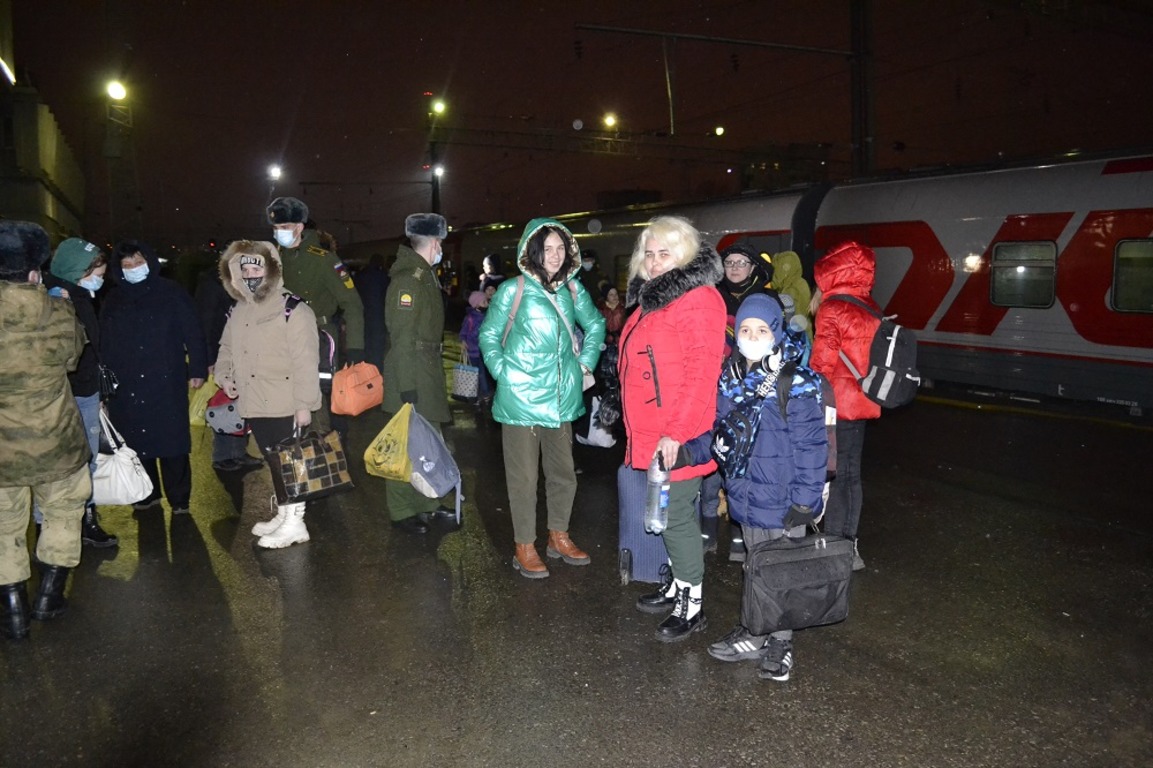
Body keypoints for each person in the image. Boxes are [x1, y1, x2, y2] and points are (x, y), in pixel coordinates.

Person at [705, 293, 827, 681]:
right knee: (756, 566)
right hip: (746, 493)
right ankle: (754, 630)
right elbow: (721, 432)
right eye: (744, 329)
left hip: (784, 496)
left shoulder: (796, 379)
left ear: (775, 332)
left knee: (781, 571)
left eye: (761, 329)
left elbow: (811, 445)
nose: (752, 336)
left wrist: (807, 501)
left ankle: (781, 642)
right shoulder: (730, 375)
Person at [619, 215, 726, 641]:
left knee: (678, 516)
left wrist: (676, 433)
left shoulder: (698, 299)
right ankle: (678, 584)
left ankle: (693, 604)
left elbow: (701, 375)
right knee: (664, 514)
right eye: (649, 253)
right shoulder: (657, 298)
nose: (656, 261)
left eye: (666, 253)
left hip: (677, 433)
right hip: (654, 429)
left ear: (684, 255)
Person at [478, 218, 605, 579]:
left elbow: (595, 325)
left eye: (560, 249)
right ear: (532, 251)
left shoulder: (574, 291)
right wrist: (505, 374)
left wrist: (585, 364)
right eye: (547, 249)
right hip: (520, 401)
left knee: (563, 473)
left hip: (562, 398)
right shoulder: (513, 290)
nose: (554, 255)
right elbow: (489, 336)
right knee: (524, 478)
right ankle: (524, 545)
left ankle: (558, 536)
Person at [0, 221, 91, 641]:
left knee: (3, 526)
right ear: (35, 271)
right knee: (62, 513)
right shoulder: (58, 310)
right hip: (56, 439)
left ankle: (13, 610)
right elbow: (73, 358)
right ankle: (48, 597)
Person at [214, 240, 321, 549]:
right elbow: (227, 348)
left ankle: (295, 522)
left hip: (285, 401)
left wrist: (304, 405)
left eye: (256, 267)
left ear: (272, 269)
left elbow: (306, 362)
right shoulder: (240, 309)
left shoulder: (293, 309)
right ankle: (286, 514)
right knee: (273, 460)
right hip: (254, 399)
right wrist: (225, 376)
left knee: (289, 463)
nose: (250, 273)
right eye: (244, 268)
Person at [99, 240, 208, 516]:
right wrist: (103, 381)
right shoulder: (113, 298)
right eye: (126, 265)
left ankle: (179, 498)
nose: (133, 268)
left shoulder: (171, 293)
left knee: (171, 440)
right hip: (126, 381)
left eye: (138, 262)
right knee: (136, 441)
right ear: (118, 269)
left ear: (148, 261)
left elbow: (192, 331)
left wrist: (197, 368)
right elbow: (103, 340)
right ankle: (146, 493)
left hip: (165, 377)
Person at [707, 242, 783, 561]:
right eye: (729, 262)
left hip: (758, 386)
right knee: (718, 455)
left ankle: (742, 537)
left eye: (742, 262)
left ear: (753, 267)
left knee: (750, 460)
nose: (735, 267)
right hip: (719, 384)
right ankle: (708, 529)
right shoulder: (712, 297)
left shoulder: (767, 300)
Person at [380, 213, 455, 535]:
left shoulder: (423, 275)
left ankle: (426, 503)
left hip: (424, 373)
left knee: (426, 445)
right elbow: (402, 338)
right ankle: (401, 511)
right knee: (404, 447)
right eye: (441, 244)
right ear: (435, 242)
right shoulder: (409, 280)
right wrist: (407, 388)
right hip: (412, 377)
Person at [810, 241, 882, 572]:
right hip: (863, 403)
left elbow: (822, 363)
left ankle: (833, 544)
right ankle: (849, 545)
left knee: (832, 474)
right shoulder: (869, 305)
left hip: (833, 405)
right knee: (851, 475)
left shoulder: (832, 307)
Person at [267, 197, 365, 436]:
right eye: (276, 228)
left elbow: (352, 304)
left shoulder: (323, 260)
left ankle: (329, 452)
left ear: (299, 227)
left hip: (319, 340)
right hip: (282, 339)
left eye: (284, 227)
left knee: (321, 400)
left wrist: (355, 348)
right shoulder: (274, 260)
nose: (279, 233)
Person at [44, 237, 117, 547]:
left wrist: (100, 395)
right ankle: (51, 526)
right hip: (57, 394)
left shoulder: (82, 294)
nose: (100, 279)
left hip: (86, 391)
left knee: (88, 459)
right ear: (76, 269)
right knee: (57, 463)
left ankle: (86, 520)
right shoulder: (53, 296)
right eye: (95, 272)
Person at [193, 263, 264, 473]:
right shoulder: (213, 285)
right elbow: (206, 323)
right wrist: (209, 358)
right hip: (222, 351)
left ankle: (238, 452)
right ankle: (223, 455)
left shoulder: (239, 285)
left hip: (242, 350)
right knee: (224, 403)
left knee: (241, 402)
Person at [353, 252, 390, 374]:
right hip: (379, 318)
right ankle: (376, 378)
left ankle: (364, 376)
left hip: (362, 318)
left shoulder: (360, 276)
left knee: (365, 348)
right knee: (377, 352)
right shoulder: (384, 277)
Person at [459, 290, 492, 407]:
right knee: (477, 374)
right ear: (477, 305)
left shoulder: (488, 315)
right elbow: (463, 332)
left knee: (482, 373)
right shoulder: (470, 318)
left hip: (484, 351)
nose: (487, 304)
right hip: (473, 351)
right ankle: (480, 394)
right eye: (484, 302)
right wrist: (463, 341)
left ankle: (483, 394)